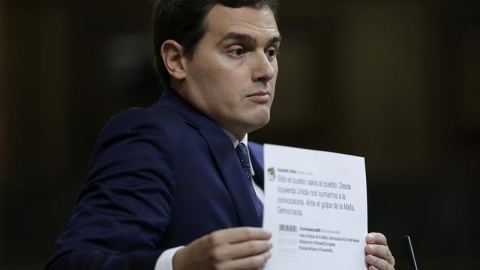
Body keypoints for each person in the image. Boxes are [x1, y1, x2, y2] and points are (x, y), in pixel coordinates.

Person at [44, 0, 396, 270]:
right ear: (177, 60)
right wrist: (177, 264)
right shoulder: (151, 136)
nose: (266, 70)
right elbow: (72, 263)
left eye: (271, 51)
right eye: (238, 50)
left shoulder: (275, 164)